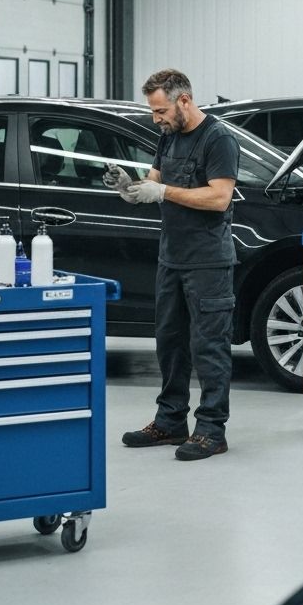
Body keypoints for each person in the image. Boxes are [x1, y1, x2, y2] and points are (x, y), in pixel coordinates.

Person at [103, 68, 240, 461]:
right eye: (153, 111)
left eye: (160, 110)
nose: (156, 119)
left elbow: (219, 198)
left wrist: (162, 191)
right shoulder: (169, 136)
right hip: (172, 258)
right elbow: (153, 182)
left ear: (184, 100)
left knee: (209, 347)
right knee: (170, 345)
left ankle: (211, 430)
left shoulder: (218, 139)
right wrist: (129, 188)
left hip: (208, 262)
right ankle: (170, 421)